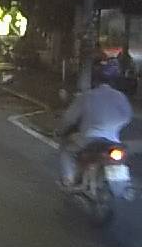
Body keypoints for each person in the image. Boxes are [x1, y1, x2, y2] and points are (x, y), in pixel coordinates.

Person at [55, 58, 134, 188]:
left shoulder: (87, 96)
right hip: (113, 141)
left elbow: (69, 119)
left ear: (94, 81)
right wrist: (114, 127)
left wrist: (60, 131)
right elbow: (127, 116)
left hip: (89, 139)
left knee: (66, 149)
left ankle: (68, 180)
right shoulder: (120, 97)